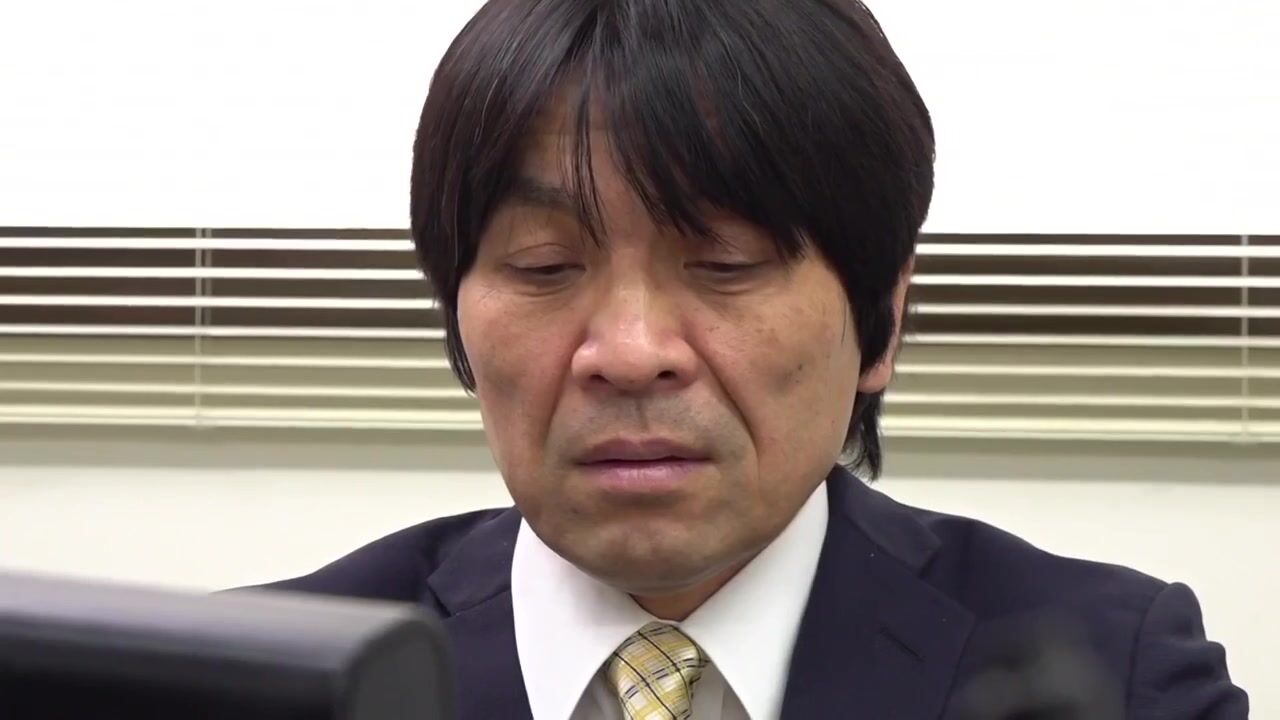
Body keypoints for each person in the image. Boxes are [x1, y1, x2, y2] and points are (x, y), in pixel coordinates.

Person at [259, 0, 1248, 717]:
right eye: (546, 266)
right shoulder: (268, 680)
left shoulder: (1112, 675)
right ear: (456, 311)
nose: (630, 354)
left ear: (881, 316)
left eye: (725, 264)